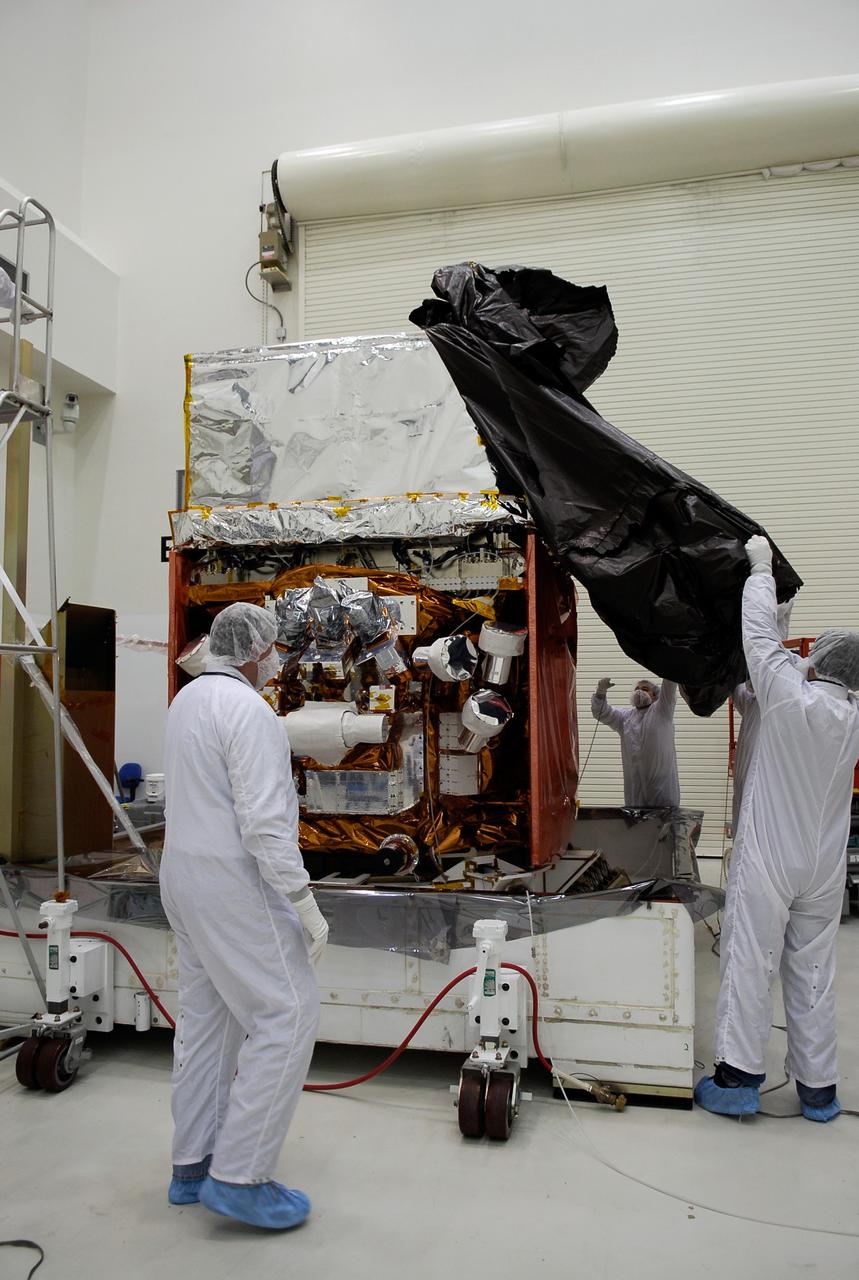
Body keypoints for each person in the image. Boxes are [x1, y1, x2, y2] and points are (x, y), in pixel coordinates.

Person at [160, 601, 328, 1228]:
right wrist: (304, 903)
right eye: (275, 649)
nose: (276, 659)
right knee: (287, 1013)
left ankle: (192, 1166)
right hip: (232, 881)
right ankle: (240, 1177)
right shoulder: (251, 712)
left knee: (207, 1021)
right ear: (257, 651)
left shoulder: (188, 700)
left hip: (182, 876)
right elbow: (264, 825)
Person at [696, 536, 859, 1122]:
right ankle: (818, 1092)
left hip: (773, 857)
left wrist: (761, 572)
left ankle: (738, 1079)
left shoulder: (792, 698)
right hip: (824, 866)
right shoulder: (849, 716)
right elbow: (770, 670)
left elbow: (761, 644)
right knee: (814, 970)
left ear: (819, 659)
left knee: (748, 956)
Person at [731, 597, 796, 836]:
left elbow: (771, 649)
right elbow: (734, 686)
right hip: (743, 792)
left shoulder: (778, 701)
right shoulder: (750, 702)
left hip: (762, 798)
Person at [591, 675, 680, 807]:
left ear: (655, 696)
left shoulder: (662, 711)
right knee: (638, 826)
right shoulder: (625, 718)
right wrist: (600, 692)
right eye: (637, 688)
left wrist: (668, 664)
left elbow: (670, 684)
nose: (639, 691)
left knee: (662, 827)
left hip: (663, 795)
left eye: (645, 689)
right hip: (635, 796)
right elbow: (601, 712)